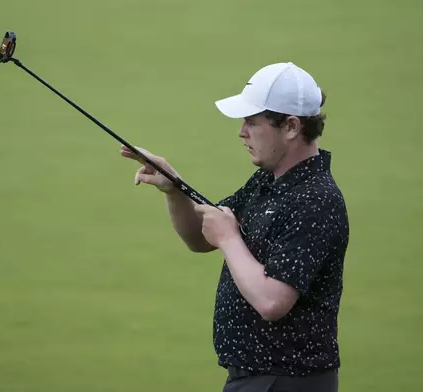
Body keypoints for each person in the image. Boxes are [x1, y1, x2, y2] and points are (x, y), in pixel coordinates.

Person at [120, 62, 349, 392]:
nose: (242, 131)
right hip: (257, 378)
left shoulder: (315, 199)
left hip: (286, 380)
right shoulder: (268, 181)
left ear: (291, 127)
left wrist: (229, 238)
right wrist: (175, 187)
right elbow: (202, 237)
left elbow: (272, 301)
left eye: (253, 123)